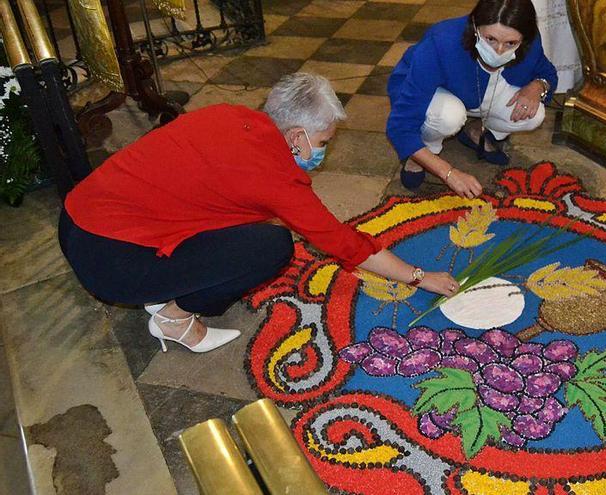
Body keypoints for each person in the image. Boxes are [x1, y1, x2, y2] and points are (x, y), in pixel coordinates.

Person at [58, 73, 459, 354]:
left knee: (235, 222)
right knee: (270, 246)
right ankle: (173, 318)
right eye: (322, 141)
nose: (323, 151)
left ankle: (163, 280)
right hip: (110, 263)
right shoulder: (275, 178)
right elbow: (345, 244)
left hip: (76, 216)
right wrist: (418, 277)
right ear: (296, 135)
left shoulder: (227, 115)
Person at [386, 0, 558, 198]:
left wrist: (537, 86)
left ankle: (475, 129)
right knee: (448, 116)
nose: (499, 50)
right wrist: (449, 173)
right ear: (475, 26)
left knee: (534, 114)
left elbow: (547, 74)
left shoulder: (531, 40)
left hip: (481, 91)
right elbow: (400, 126)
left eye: (511, 43)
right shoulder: (442, 41)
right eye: (490, 39)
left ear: (524, 39)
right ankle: (423, 153)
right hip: (438, 91)